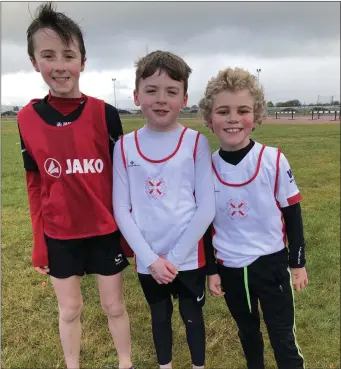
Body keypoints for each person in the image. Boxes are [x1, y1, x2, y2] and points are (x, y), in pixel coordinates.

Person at [17, 3, 133, 368]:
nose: (60, 65)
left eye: (69, 55)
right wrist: (40, 245)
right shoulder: (27, 119)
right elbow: (35, 185)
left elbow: (123, 182)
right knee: (70, 309)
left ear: (83, 61)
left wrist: (127, 237)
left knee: (114, 306)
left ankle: (126, 362)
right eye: (48, 55)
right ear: (36, 63)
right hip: (59, 234)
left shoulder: (106, 115)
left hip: (104, 230)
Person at [199, 67, 308, 369]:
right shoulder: (206, 168)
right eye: (223, 111)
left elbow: (293, 213)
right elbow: (205, 226)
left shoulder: (273, 159)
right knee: (248, 333)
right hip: (231, 267)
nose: (233, 119)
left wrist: (297, 264)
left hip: (271, 264)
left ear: (256, 115)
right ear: (210, 118)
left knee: (282, 336)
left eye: (243, 110)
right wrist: (211, 270)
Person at [113, 50, 215, 369]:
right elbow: (121, 209)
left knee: (191, 317)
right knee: (160, 318)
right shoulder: (124, 145)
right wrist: (151, 260)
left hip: (188, 257)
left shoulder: (196, 142)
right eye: (151, 90)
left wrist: (171, 259)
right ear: (136, 95)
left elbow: (206, 208)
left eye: (171, 91)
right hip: (149, 260)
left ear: (184, 98)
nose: (161, 99)